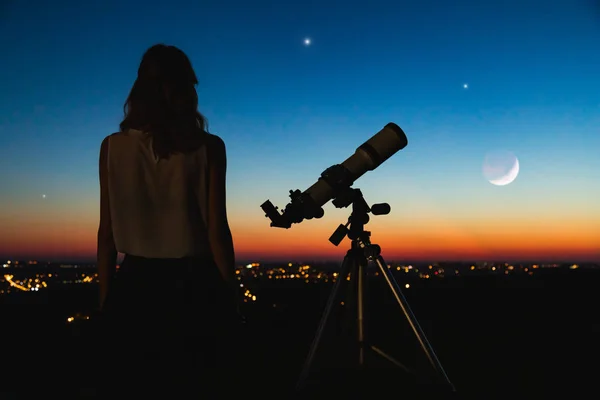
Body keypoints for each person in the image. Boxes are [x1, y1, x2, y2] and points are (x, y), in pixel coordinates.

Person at [95, 44, 241, 397]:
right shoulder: (208, 148)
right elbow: (216, 231)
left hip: (133, 287)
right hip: (193, 287)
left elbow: (107, 235)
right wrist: (230, 296)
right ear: (185, 89)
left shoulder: (112, 147)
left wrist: (105, 299)